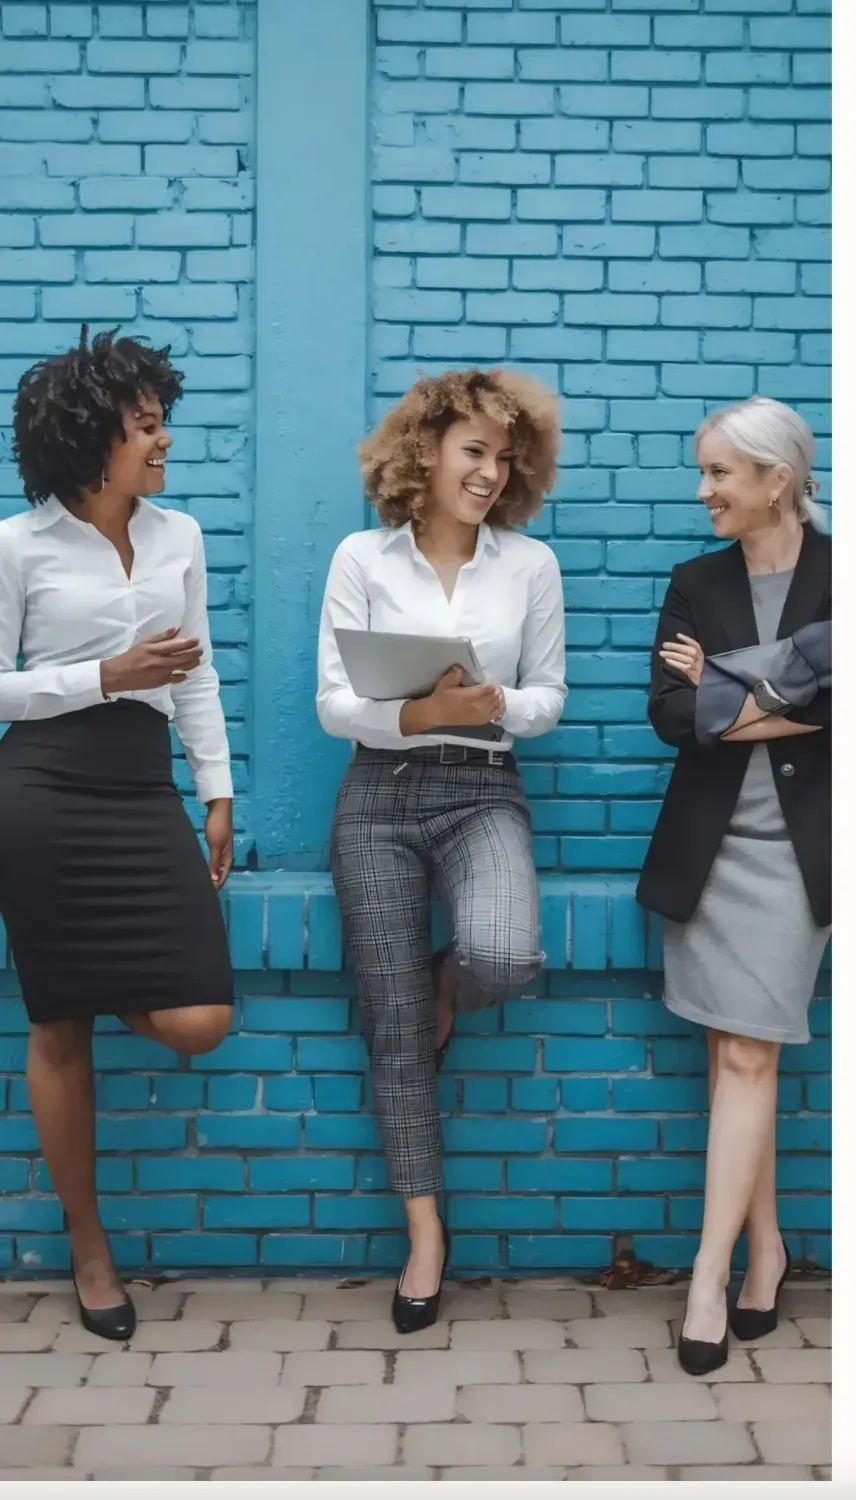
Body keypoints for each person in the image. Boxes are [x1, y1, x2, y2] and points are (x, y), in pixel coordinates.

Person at [316, 368, 566, 1331]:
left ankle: (447, 985)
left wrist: (494, 704)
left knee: (506, 951)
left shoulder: (529, 567)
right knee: (394, 1026)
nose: (491, 474)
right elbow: (336, 704)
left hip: (481, 787)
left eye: (505, 460)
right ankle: (426, 1234)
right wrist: (421, 710)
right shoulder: (361, 559)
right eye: (475, 453)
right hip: (376, 794)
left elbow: (550, 695)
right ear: (424, 452)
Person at [0, 328, 235, 1341]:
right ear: (94, 434)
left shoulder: (179, 537)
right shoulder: (19, 546)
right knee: (59, 1025)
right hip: (43, 791)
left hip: (143, 790)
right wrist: (99, 677)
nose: (166, 440)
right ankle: (89, 1250)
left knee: (200, 1018)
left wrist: (217, 788)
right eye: (147, 425)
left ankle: (103, 984)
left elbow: (197, 670)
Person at [637, 396, 831, 1375]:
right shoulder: (695, 579)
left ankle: (707, 1276)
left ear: (775, 481)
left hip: (795, 855)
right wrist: (778, 688)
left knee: (749, 1060)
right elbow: (672, 715)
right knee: (734, 1058)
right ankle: (766, 1250)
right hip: (709, 850)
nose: (702, 490)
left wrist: (729, 686)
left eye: (718, 473)